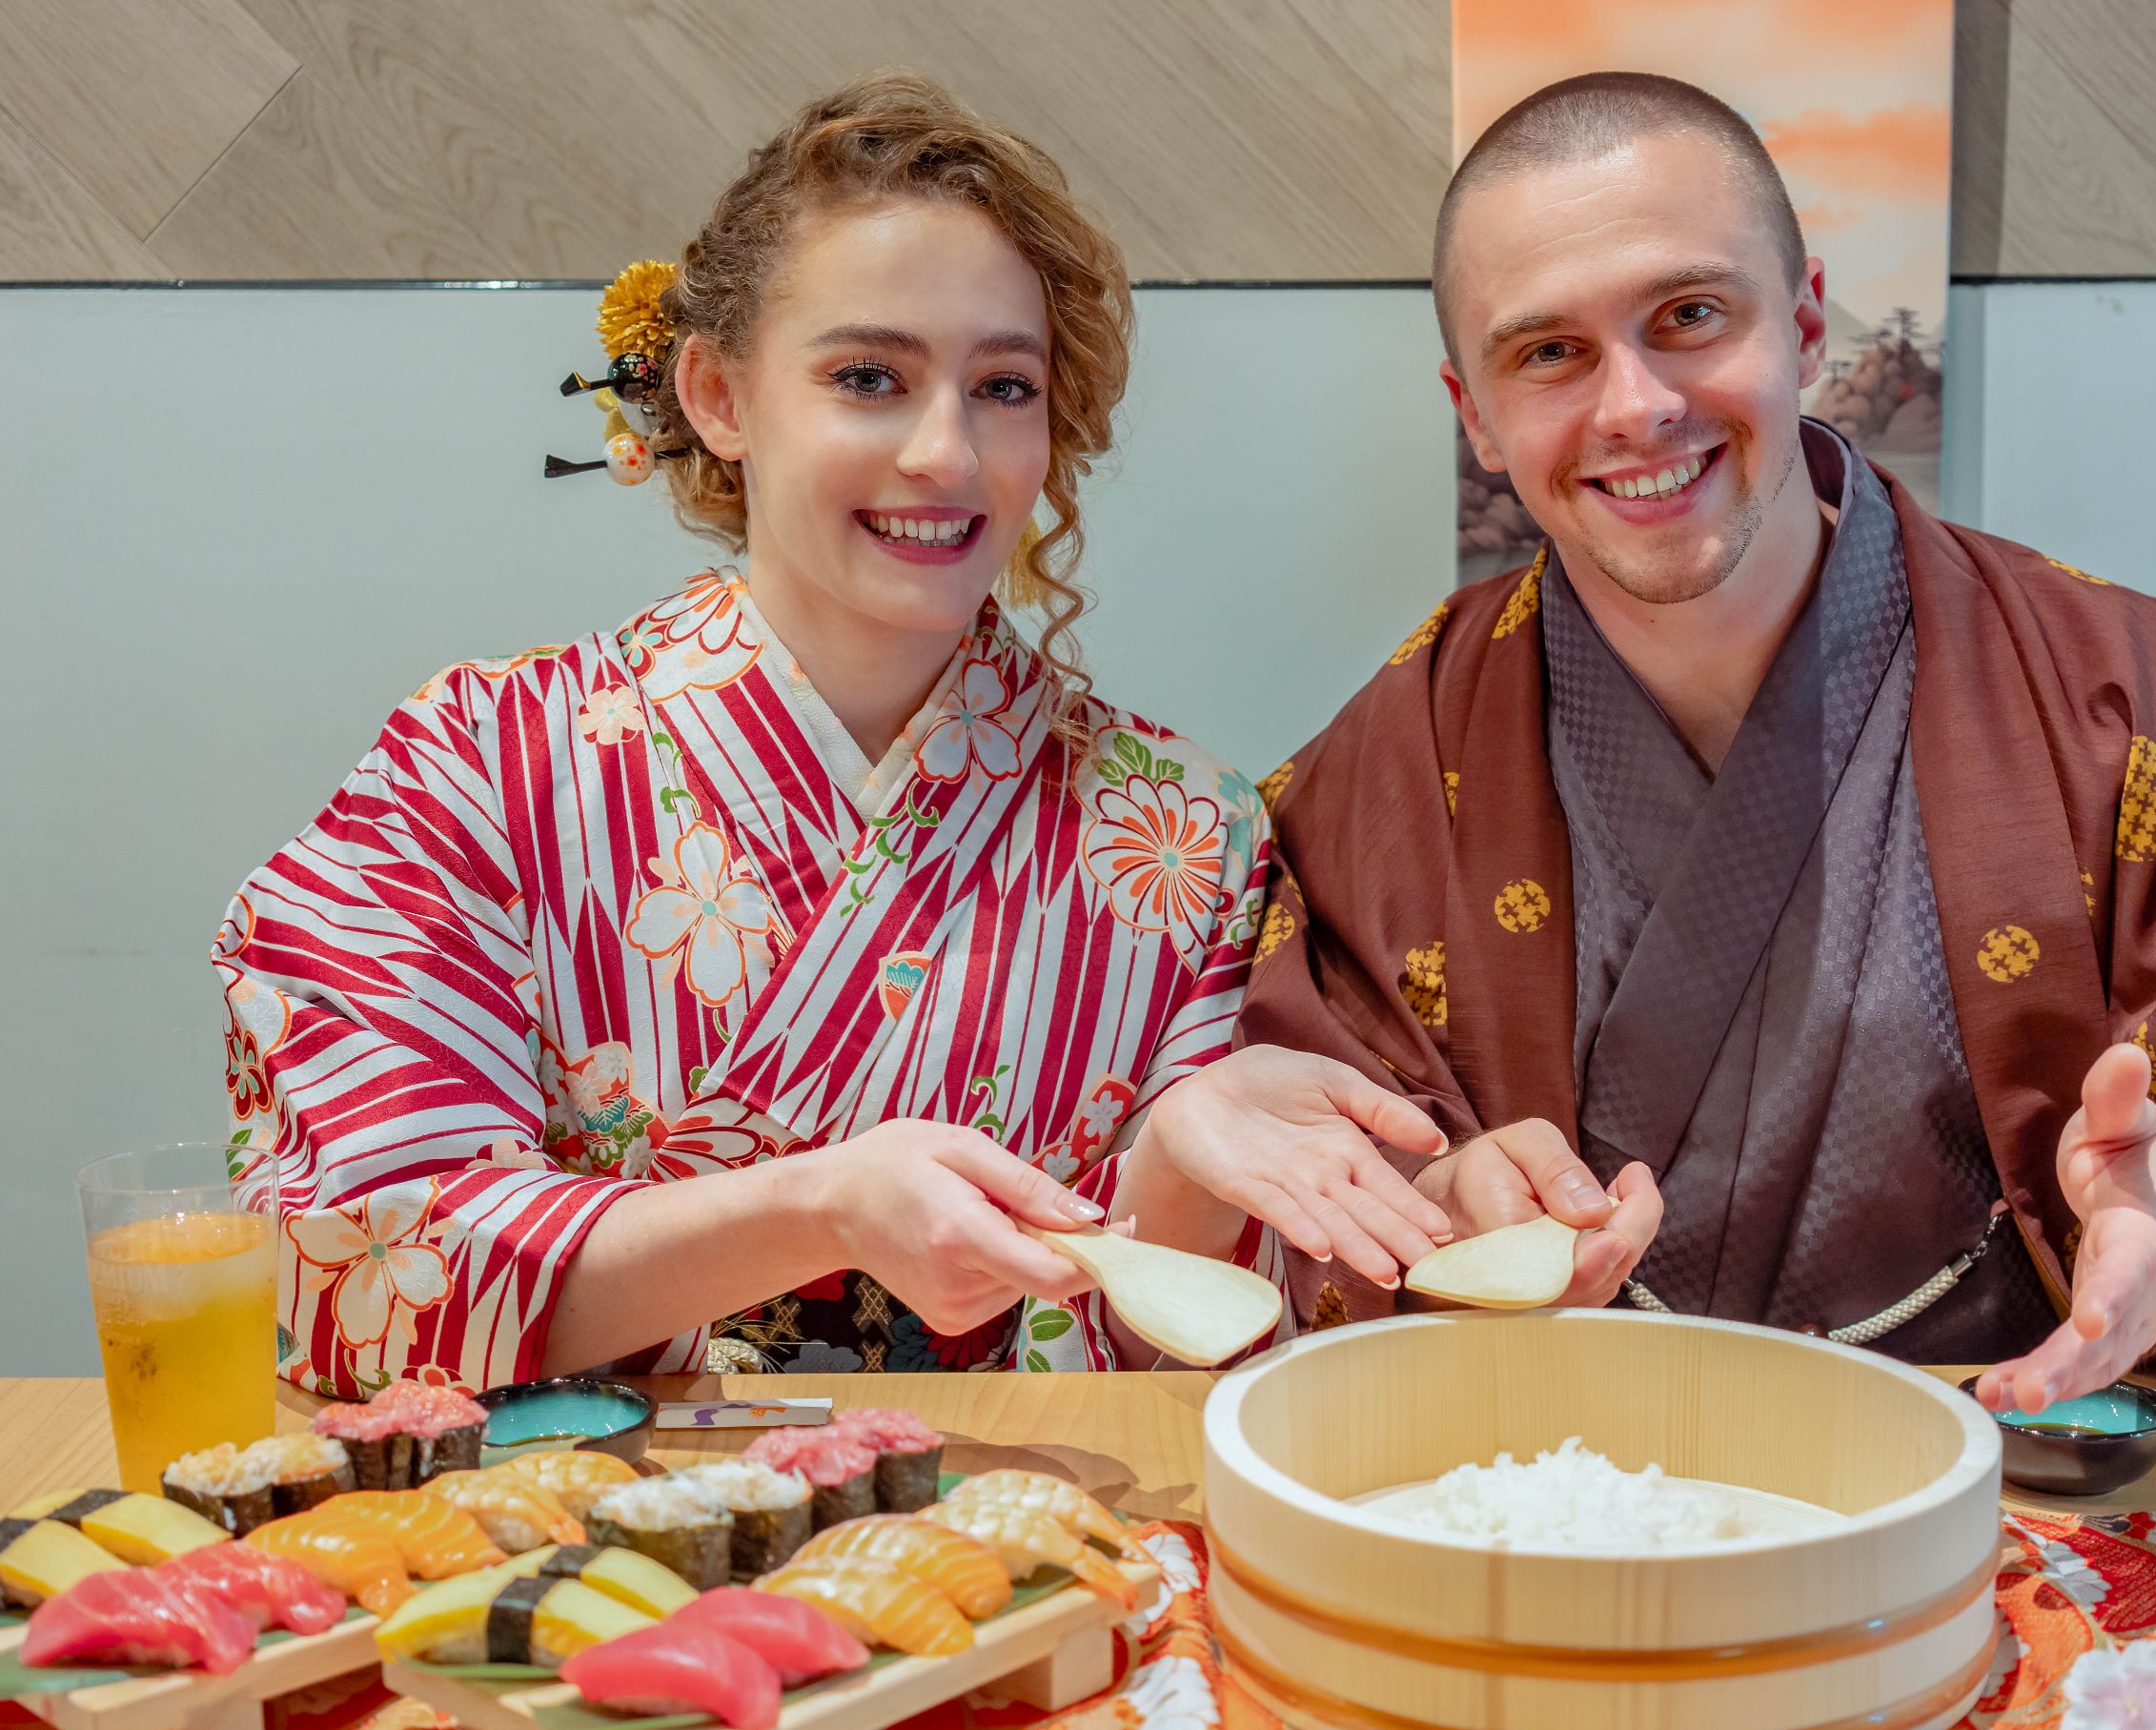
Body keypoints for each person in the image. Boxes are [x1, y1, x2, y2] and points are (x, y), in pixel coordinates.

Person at [1244, 72, 2156, 1406]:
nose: (1633, 407)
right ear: (1474, 411)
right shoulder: (1391, 767)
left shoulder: (2131, 699)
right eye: (1549, 353)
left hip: (2016, 1491)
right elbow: (1253, 1184)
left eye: (1689, 316)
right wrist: (1423, 1207)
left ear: (1804, 325)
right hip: (1559, 1492)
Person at [218, 74, 1450, 1396]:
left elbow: (1188, 1353)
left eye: (1004, 386)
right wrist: (817, 1209)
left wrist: (1176, 1171)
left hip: (1013, 1535)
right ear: (717, 395)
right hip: (576, 1555)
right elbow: (357, 1253)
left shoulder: (1185, 836)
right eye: (869, 376)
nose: (947, 452)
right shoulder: (478, 764)